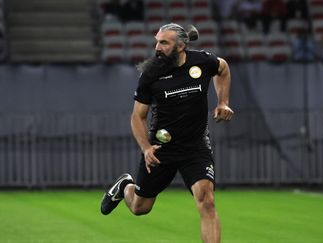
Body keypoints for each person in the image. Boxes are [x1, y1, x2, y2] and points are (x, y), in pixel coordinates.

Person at [100, 23, 234, 243]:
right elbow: (137, 117)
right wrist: (146, 149)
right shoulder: (150, 75)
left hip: (195, 146)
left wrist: (223, 102)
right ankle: (125, 185)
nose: (157, 47)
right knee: (139, 207)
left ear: (181, 46)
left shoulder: (202, 61)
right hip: (161, 149)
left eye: (164, 42)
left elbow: (223, 68)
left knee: (207, 201)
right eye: (157, 41)